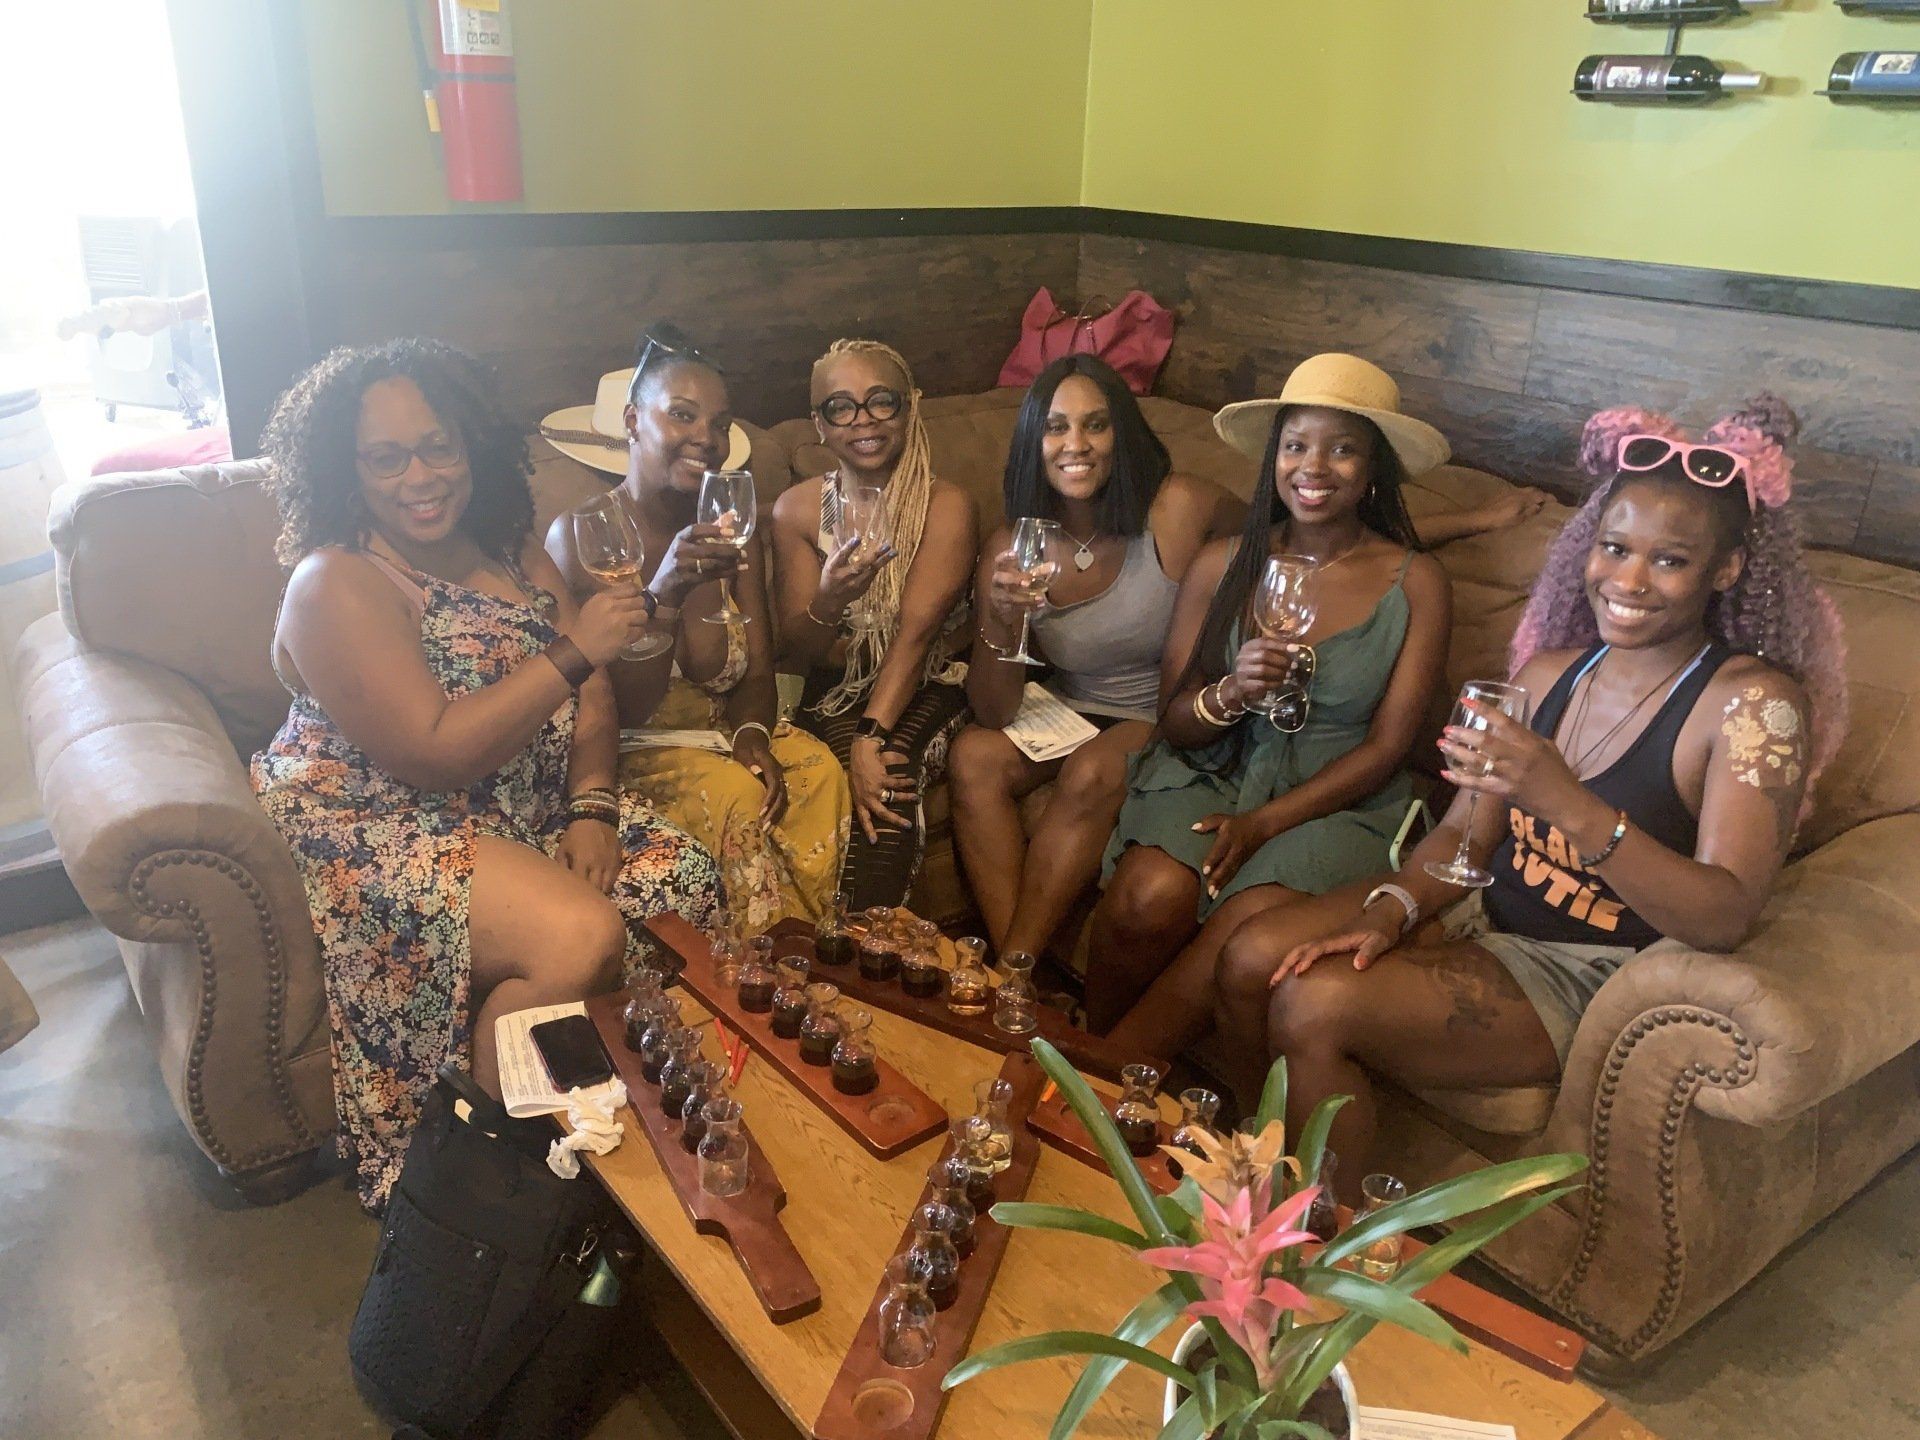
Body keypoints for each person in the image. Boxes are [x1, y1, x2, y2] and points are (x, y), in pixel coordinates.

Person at [1212, 395, 1847, 1197]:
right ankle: (1256, 1176)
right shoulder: (1549, 674)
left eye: (1669, 560)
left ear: (1724, 571)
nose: (1628, 580)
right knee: (1249, 959)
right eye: (1614, 548)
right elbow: (1465, 836)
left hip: (1589, 965)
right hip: (1486, 913)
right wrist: (1391, 909)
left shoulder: (1752, 706)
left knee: (1312, 1002)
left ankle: (1320, 1234)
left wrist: (1563, 800)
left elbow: (1724, 914)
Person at [250, 339, 722, 1211]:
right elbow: (435, 751)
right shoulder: (335, 582)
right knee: (578, 935)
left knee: (678, 879)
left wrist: (592, 806)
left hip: (517, 797)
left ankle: (609, 1120)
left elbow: (594, 695)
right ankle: (486, 1189)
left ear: (471, 443)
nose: (420, 477)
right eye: (386, 458)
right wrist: (576, 649)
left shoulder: (507, 548)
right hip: (377, 816)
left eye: (439, 447)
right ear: (346, 469)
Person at [1087, 353, 1455, 1046]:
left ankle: (1100, 1079)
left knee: (1241, 930)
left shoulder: (1417, 583)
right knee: (1145, 898)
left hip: (1339, 801)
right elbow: (1174, 722)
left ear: (1373, 469)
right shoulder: (1223, 560)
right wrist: (1231, 692)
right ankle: (1086, 1038)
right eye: (1295, 446)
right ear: (1274, 459)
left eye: (1342, 449)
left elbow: (1389, 748)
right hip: (1218, 769)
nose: (1313, 467)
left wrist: (1263, 824)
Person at [544, 326, 849, 929]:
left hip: (720, 735)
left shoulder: (731, 531)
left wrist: (753, 735)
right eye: (682, 415)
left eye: (720, 423)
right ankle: (753, 966)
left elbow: (757, 672)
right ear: (633, 421)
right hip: (629, 749)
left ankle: (811, 954)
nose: (706, 439)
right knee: (740, 799)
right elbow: (614, 707)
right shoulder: (582, 536)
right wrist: (664, 593)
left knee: (819, 771)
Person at [947, 355, 1244, 962]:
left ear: (1121, 435)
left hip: (1165, 712)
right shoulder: (1011, 545)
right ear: (1033, 443)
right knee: (973, 755)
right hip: (1073, 707)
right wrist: (1001, 617)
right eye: (1055, 427)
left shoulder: (1178, 505)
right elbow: (994, 710)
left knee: (1092, 771)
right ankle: (1020, 981)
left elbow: (1284, 533)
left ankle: (1010, 973)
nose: (1075, 444)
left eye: (1096, 425)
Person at [770, 338, 979, 910]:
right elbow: (801, 648)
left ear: (910, 407)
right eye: (840, 407)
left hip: (929, 678)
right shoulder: (797, 511)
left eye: (881, 401)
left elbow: (916, 636)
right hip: (836, 685)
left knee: (886, 797)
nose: (862, 420)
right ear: (819, 424)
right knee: (834, 796)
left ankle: (866, 956)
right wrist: (829, 599)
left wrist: (871, 737)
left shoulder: (946, 505)